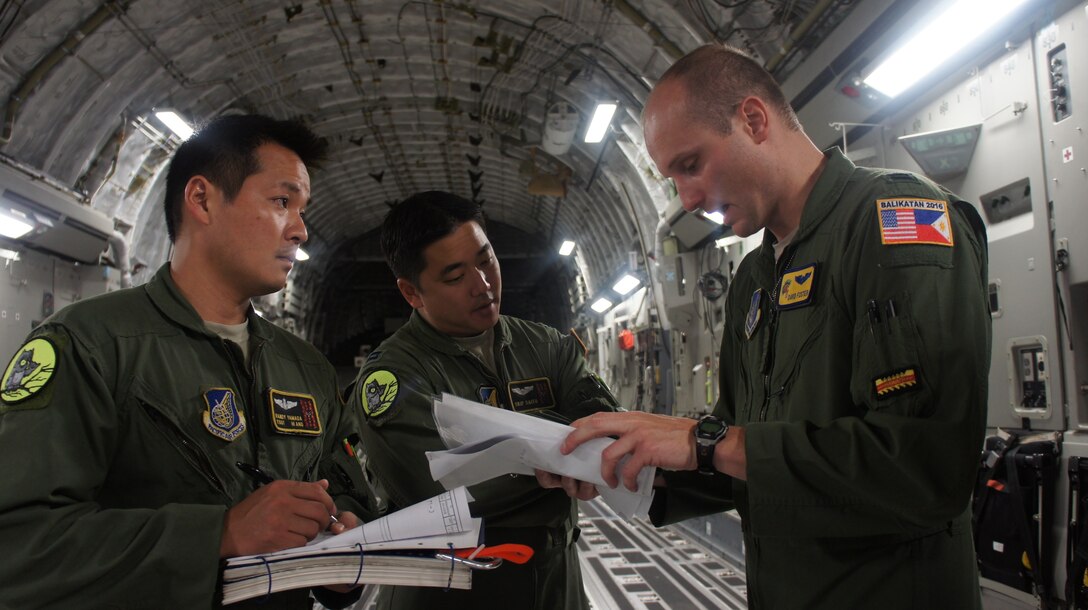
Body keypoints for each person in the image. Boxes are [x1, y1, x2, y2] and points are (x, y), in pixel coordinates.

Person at [556, 43, 991, 609]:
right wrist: (633, 467)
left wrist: (705, 442)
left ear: (753, 120)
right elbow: (744, 450)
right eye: (671, 180)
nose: (687, 200)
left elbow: (925, 468)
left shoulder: (893, 220)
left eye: (691, 165)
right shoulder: (755, 278)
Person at [0, 114, 376, 609]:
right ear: (201, 199)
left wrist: (344, 543)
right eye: (282, 202)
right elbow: (20, 548)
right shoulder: (90, 345)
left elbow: (349, 496)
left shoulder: (306, 369)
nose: (301, 230)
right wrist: (218, 534)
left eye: (302, 209)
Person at [348, 190, 618, 609]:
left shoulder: (547, 346)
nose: (483, 284)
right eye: (455, 277)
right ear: (411, 292)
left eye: (486, 259)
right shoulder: (393, 377)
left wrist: (517, 452)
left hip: (554, 587)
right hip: (451, 594)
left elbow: (605, 429)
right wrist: (563, 450)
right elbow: (441, 491)